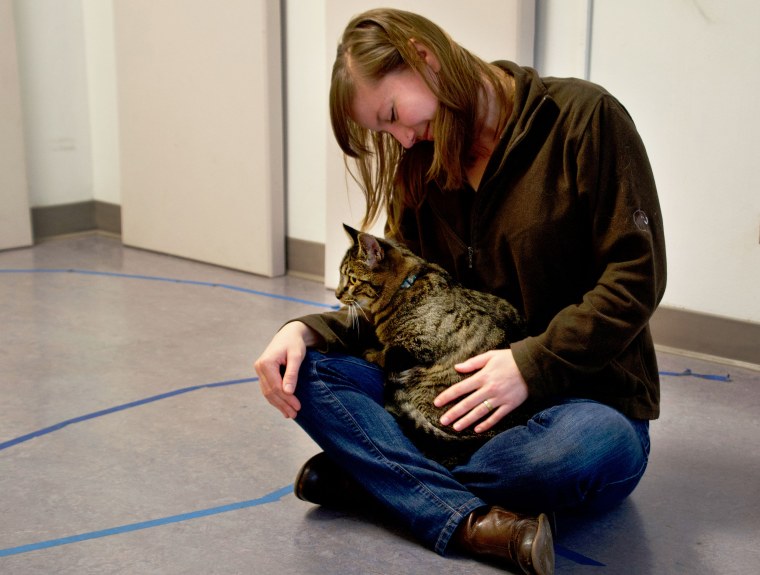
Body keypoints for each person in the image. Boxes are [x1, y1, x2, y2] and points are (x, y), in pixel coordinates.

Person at [255, 8, 666, 575]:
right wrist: (301, 331)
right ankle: (468, 520)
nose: (400, 139)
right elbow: (392, 301)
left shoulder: (584, 119)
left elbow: (635, 277)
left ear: (425, 58)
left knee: (581, 450)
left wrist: (530, 366)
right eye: (385, 132)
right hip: (447, 403)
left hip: (576, 402)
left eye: (395, 114)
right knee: (307, 372)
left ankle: (377, 477)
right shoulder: (420, 165)